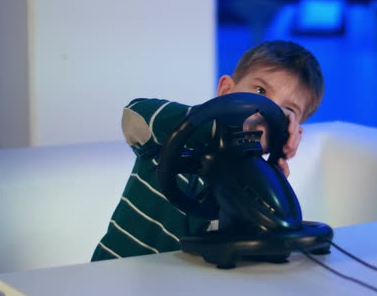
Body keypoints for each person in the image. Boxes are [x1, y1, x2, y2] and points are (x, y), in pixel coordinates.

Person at [91, 40, 324, 261]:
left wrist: (266, 197)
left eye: (286, 111)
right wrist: (219, 124)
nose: (266, 112)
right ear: (225, 91)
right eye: (261, 92)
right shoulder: (173, 139)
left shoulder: (253, 182)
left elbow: (230, 250)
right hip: (113, 273)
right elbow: (135, 114)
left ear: (293, 133)